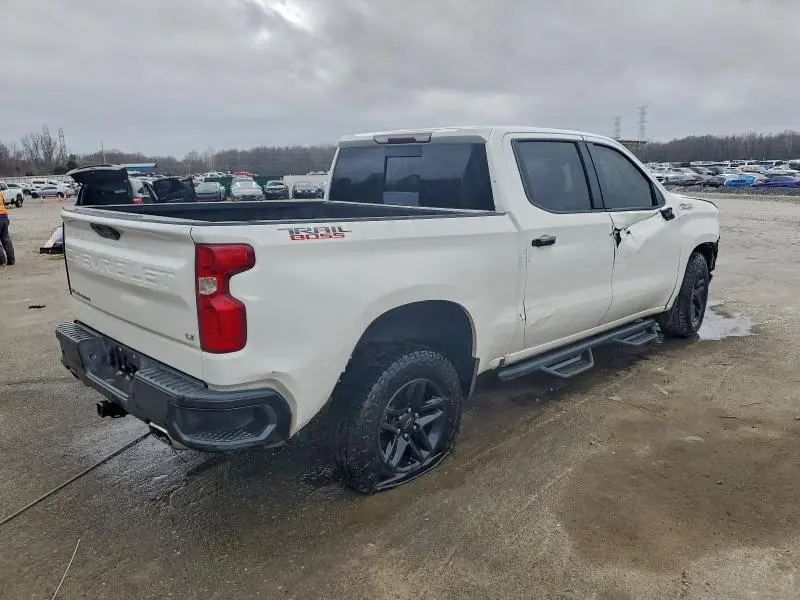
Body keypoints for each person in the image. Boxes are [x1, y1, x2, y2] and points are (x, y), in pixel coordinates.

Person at [0, 195, 16, 266]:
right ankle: (11, 259)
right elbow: (3, 203)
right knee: (6, 238)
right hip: (4, 216)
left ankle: (2, 260)